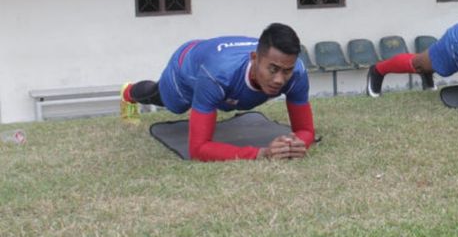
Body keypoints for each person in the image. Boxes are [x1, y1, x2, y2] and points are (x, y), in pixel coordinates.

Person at [121, 23, 315, 162]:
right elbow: (198, 150)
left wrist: (295, 144)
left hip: (216, 56)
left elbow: (306, 131)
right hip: (187, 66)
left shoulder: (297, 72)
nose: (280, 79)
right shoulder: (216, 75)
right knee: (166, 100)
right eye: (272, 69)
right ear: (254, 58)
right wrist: (262, 153)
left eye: (286, 71)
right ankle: (129, 92)